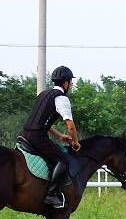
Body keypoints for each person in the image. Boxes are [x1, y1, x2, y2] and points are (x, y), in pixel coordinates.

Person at [21, 65, 81, 208]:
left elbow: (42, 122)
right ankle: (51, 194)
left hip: (24, 135)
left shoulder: (43, 94)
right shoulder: (61, 99)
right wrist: (75, 142)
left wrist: (60, 136)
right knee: (64, 160)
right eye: (70, 82)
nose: (71, 85)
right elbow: (71, 126)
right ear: (65, 83)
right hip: (37, 138)